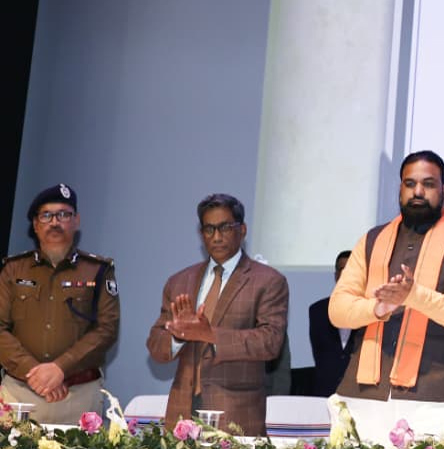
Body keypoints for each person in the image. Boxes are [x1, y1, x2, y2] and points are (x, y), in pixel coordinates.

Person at [330, 150, 444, 401]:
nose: (418, 192)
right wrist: (378, 308)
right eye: (410, 184)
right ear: (400, 189)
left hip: (432, 396)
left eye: (429, 184)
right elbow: (337, 310)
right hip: (363, 392)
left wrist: (414, 296)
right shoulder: (371, 239)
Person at [147, 193, 289, 435]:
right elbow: (155, 346)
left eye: (225, 227)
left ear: (242, 230)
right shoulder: (179, 281)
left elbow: (270, 342)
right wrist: (179, 335)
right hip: (182, 411)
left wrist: (210, 334)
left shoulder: (268, 281)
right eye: (209, 229)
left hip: (235, 414)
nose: (216, 236)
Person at [0, 184, 120, 424]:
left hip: (79, 396)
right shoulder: (13, 269)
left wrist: (60, 369)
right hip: (20, 393)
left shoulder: (98, 270)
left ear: (76, 221)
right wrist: (35, 374)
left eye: (63, 214)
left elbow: (107, 329)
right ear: (35, 224)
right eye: (46, 215)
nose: (55, 222)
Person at [309, 250, 353, 397]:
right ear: (336, 275)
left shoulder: (371, 310)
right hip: (325, 394)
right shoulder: (317, 311)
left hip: (359, 395)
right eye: (342, 269)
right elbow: (320, 356)